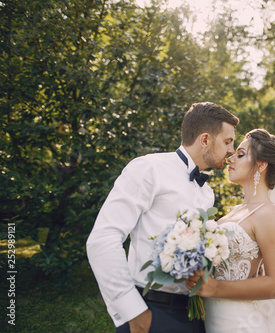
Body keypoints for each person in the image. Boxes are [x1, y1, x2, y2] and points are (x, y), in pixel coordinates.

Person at [86, 102, 239, 333]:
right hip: (151, 312)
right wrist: (135, 314)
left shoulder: (207, 193)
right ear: (205, 140)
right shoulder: (148, 169)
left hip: (195, 315)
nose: (231, 150)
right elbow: (103, 239)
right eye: (228, 141)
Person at [186, 129, 275, 332]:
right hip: (210, 319)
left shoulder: (267, 214)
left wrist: (215, 287)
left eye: (241, 154)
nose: (230, 159)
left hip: (239, 324)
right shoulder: (235, 212)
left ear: (262, 165)